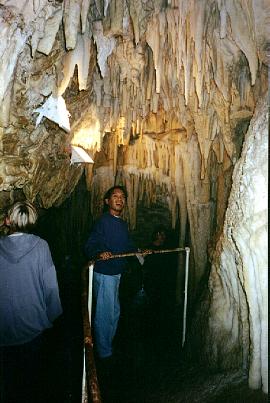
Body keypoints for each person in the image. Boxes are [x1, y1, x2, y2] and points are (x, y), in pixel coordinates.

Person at [0, 201, 63, 403]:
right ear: (33, 221)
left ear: (7, 220)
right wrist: (52, 315)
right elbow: (51, 286)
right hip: (33, 325)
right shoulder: (41, 246)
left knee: (7, 382)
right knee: (31, 381)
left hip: (4, 328)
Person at [84, 185, 141, 364]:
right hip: (105, 273)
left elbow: (127, 245)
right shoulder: (103, 222)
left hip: (116, 274)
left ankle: (106, 346)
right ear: (107, 201)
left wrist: (138, 251)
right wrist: (100, 252)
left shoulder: (122, 224)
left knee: (114, 312)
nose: (119, 199)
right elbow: (90, 245)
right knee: (105, 314)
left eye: (122, 197)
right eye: (115, 196)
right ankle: (104, 354)